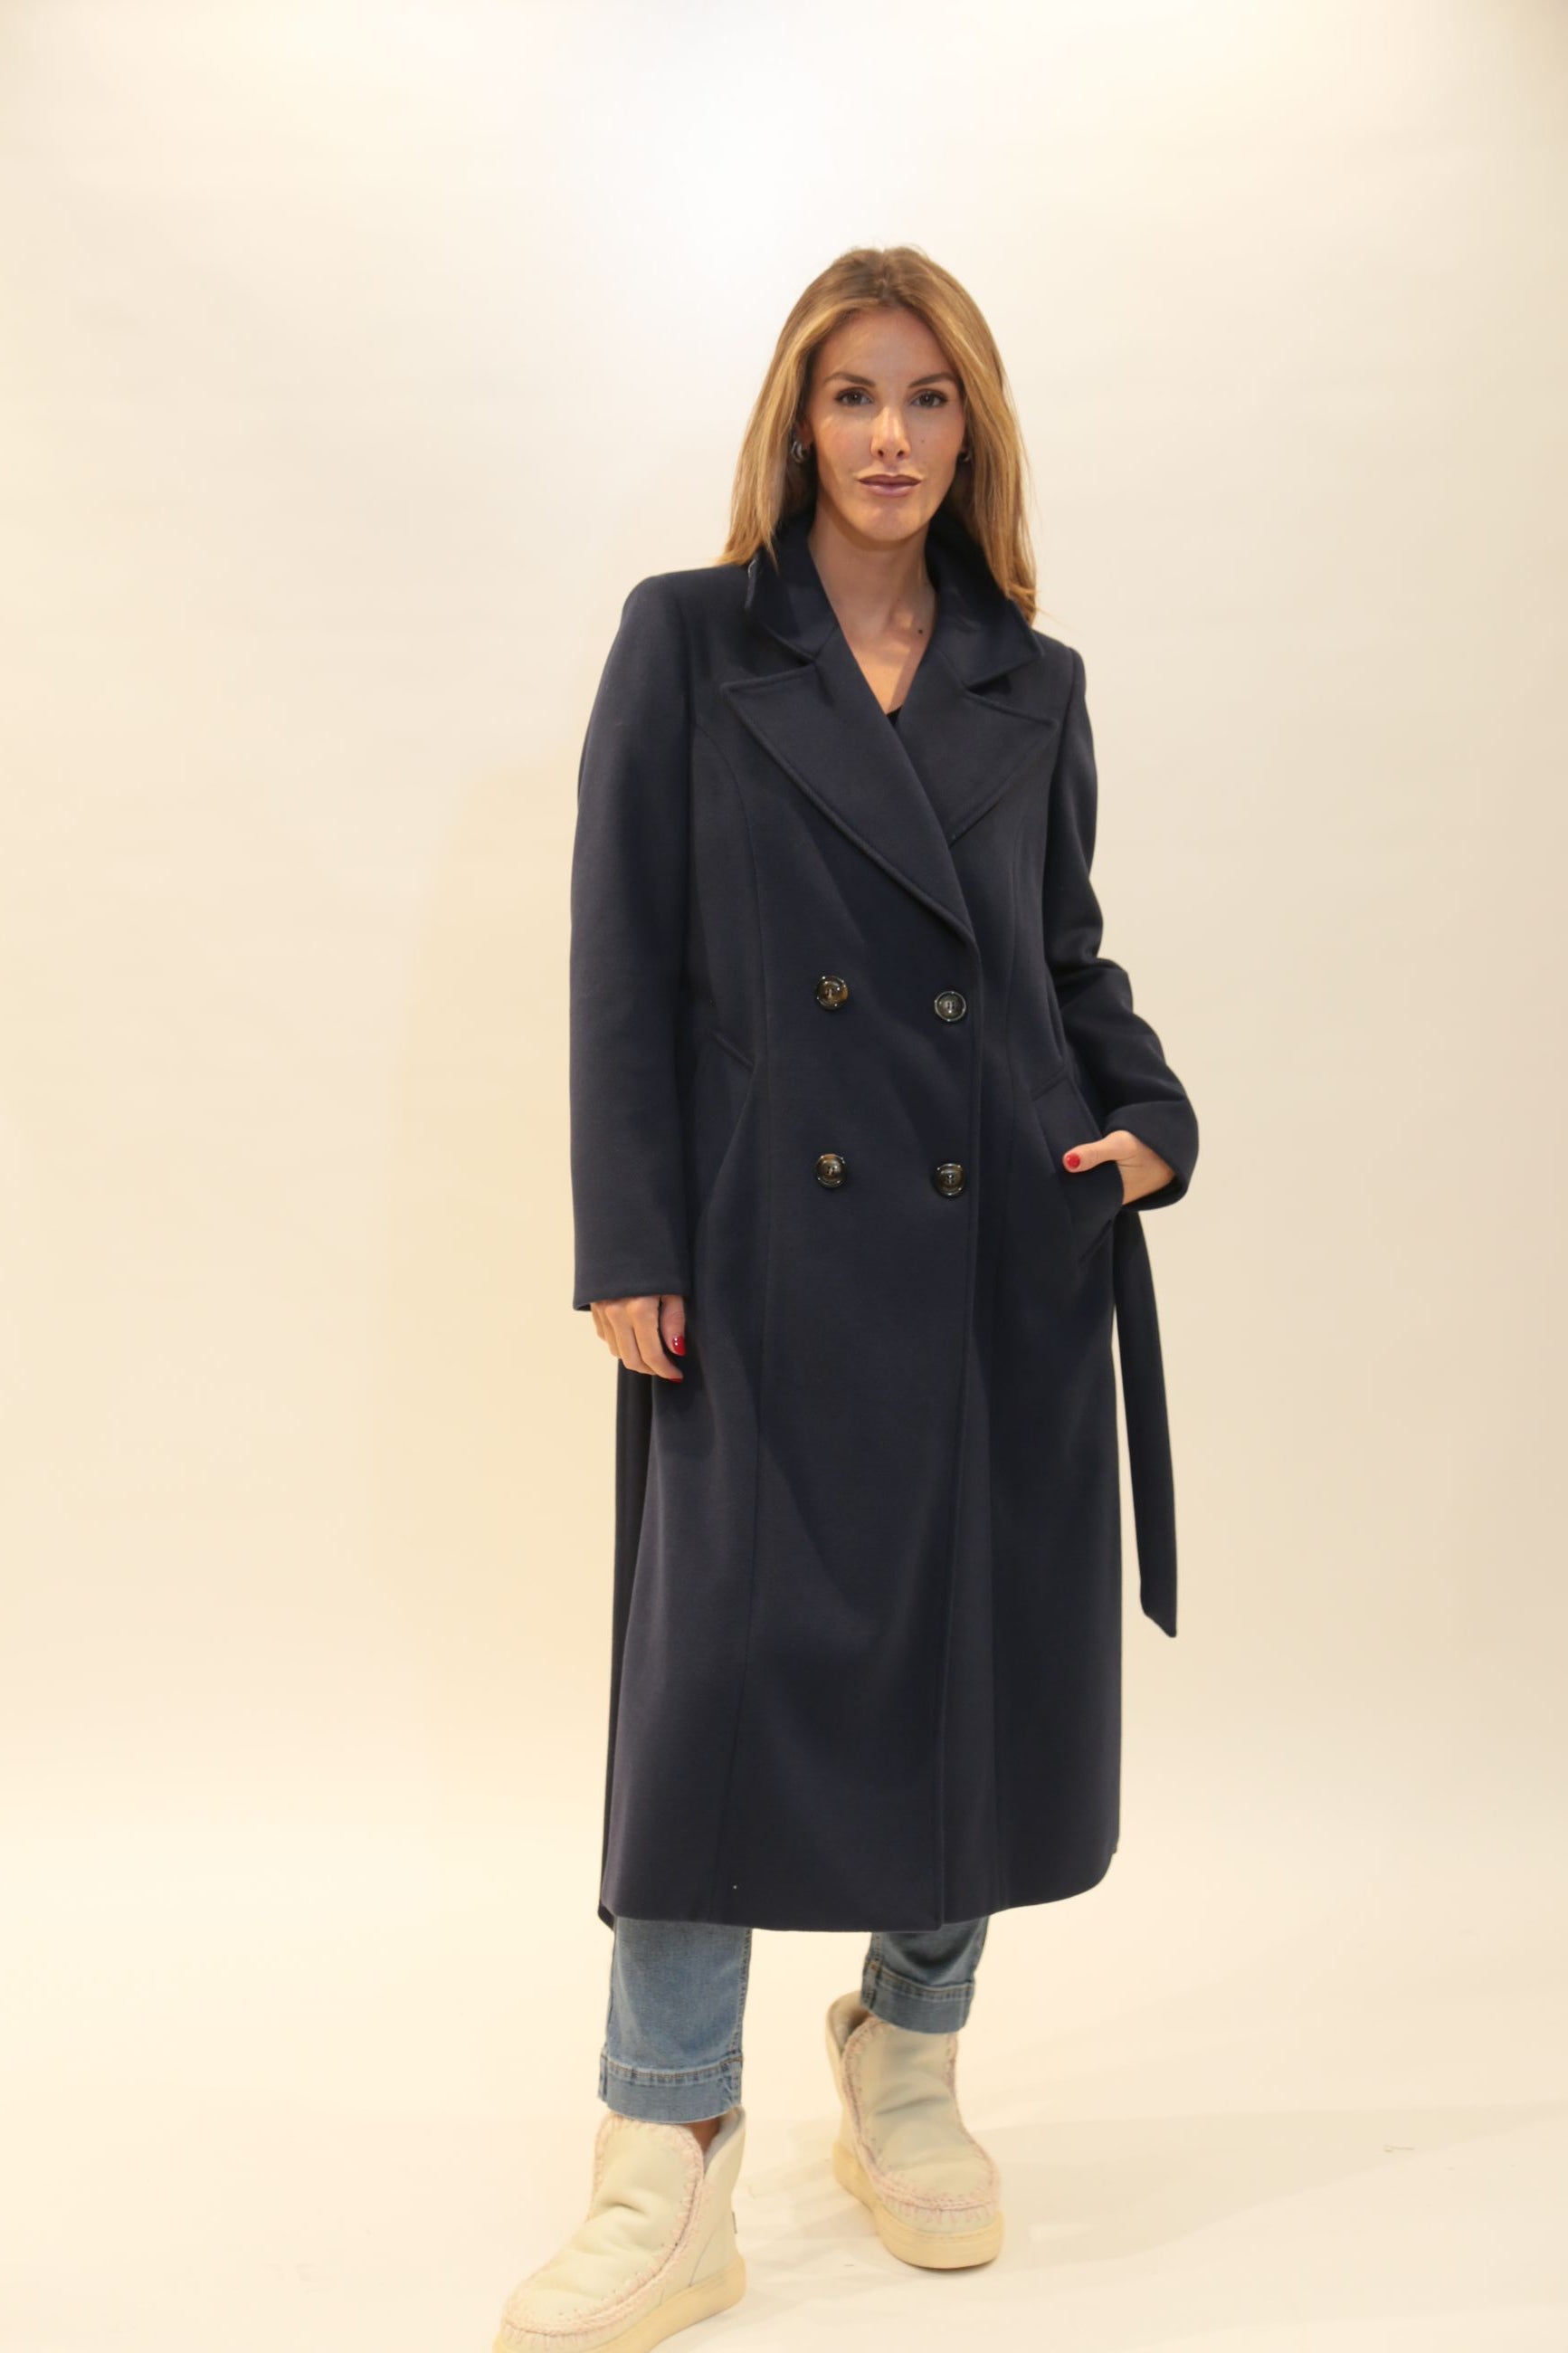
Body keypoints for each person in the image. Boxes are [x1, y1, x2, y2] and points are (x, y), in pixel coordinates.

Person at [494, 244, 1200, 2353]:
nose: (891, 436)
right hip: (759, 1259)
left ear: (974, 432)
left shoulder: (1030, 681)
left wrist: (1151, 1116)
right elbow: (621, 952)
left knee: (967, 1675)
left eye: (929, 398)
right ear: (797, 423)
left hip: (996, 1255)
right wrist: (631, 1237)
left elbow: (1060, 957)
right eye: (854, 396)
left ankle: (907, 2051)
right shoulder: (692, 641)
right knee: (705, 1695)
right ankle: (668, 2144)